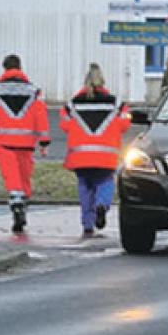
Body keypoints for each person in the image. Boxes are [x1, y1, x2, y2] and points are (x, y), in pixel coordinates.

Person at [60, 63, 131, 238]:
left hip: (80, 157)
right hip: (106, 157)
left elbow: (65, 125)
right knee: (105, 182)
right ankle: (102, 205)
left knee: (85, 187)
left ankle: (87, 224)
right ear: (103, 81)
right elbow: (124, 124)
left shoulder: (72, 104)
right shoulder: (117, 104)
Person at [0, 54, 50, 233]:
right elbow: (40, 115)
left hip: (4, 142)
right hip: (27, 142)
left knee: (11, 177)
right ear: (20, 68)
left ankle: (17, 204)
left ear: (4, 68)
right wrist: (43, 140)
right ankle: (24, 203)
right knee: (24, 175)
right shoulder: (34, 91)